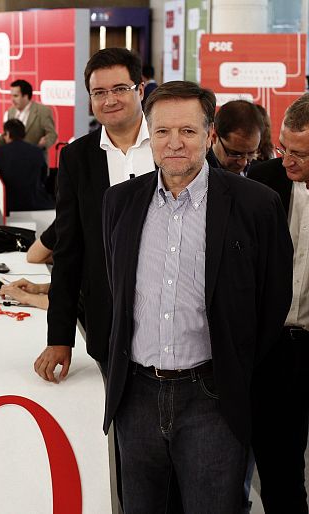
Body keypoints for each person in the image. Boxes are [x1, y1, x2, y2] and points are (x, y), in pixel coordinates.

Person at [102, 81, 292, 513]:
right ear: (150, 135)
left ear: (209, 135)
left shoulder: (255, 204)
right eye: (163, 131)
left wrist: (231, 366)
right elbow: (119, 289)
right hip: (136, 397)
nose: (174, 144)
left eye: (187, 131)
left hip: (212, 397)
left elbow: (272, 301)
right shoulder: (119, 202)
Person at [36, 47, 154, 383]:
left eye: (120, 89)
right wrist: (60, 337)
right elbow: (69, 250)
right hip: (110, 324)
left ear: (140, 90)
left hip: (179, 324)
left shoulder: (170, 143)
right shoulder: (77, 158)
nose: (110, 100)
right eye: (99, 93)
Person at [248, 93, 309, 513]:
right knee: (280, 469)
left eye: (300, 154)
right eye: (284, 148)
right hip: (276, 349)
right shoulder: (262, 178)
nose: (287, 161)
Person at [0, 119, 55, 213]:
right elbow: (43, 176)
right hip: (37, 203)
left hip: (11, 205)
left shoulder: (2, 151)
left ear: (7, 133)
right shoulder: (37, 151)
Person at [0, 79, 58, 164]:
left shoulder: (43, 111)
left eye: (15, 96)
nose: (12, 99)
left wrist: (43, 144)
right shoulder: (10, 112)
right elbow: (7, 136)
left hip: (35, 164)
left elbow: (52, 134)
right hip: (14, 164)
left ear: (26, 96)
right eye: (11, 96)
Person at [206, 99, 264, 176]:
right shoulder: (197, 173)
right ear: (214, 137)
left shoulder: (263, 174)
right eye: (235, 154)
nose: (243, 163)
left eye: (251, 153)